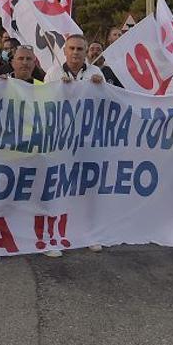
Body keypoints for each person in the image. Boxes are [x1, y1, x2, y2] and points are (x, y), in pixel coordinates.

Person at [44, 34, 105, 255]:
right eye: (72, 48)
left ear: (86, 51)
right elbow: (45, 104)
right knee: (58, 188)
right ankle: (53, 237)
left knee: (87, 189)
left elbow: (105, 104)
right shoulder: (53, 73)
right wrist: (60, 89)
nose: (76, 52)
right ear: (65, 51)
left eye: (80, 49)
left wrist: (99, 88)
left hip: (87, 140)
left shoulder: (96, 73)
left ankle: (89, 233)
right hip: (60, 140)